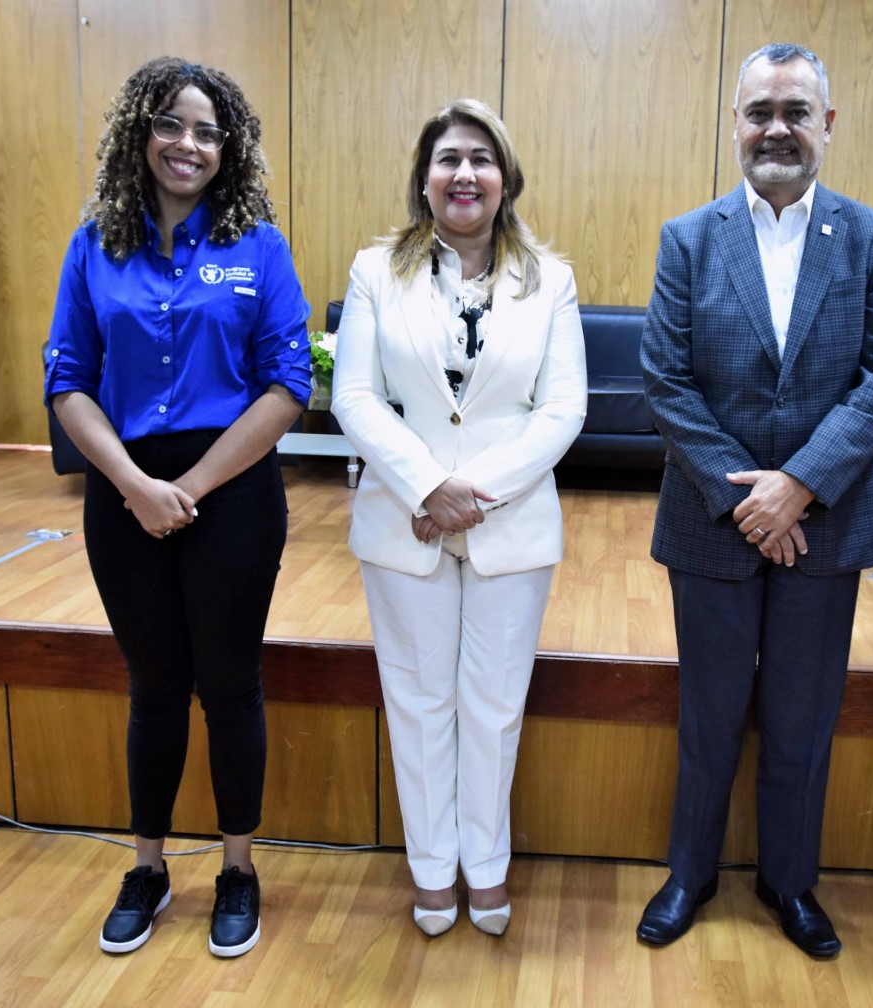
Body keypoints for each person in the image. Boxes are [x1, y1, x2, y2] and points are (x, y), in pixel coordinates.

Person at [636, 43, 873, 958]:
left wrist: (798, 487)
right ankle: (691, 872)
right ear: (737, 124)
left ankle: (791, 882)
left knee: (802, 718)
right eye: (760, 111)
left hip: (824, 524)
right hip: (712, 524)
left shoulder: (871, 237)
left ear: (826, 125)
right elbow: (666, 380)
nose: (777, 128)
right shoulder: (689, 236)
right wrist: (747, 497)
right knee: (708, 715)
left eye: (796, 110)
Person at [45, 57, 311, 958]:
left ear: (227, 148)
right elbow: (67, 381)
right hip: (124, 493)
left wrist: (188, 489)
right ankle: (149, 867)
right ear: (140, 134)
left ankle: (238, 868)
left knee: (229, 685)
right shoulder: (95, 245)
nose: (187, 145)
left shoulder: (258, 247)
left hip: (229, 492)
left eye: (206, 131)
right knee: (154, 686)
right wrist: (132, 485)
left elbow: (288, 384)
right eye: (170, 125)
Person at [331, 99, 586, 938]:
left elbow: (563, 410)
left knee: (494, 705)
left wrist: (468, 493)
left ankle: (487, 867)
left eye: (481, 158)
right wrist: (424, 486)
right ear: (424, 178)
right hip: (404, 525)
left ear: (506, 179)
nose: (465, 173)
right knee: (417, 701)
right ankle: (432, 869)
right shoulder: (377, 271)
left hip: (508, 527)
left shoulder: (550, 278)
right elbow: (356, 396)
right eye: (448, 159)